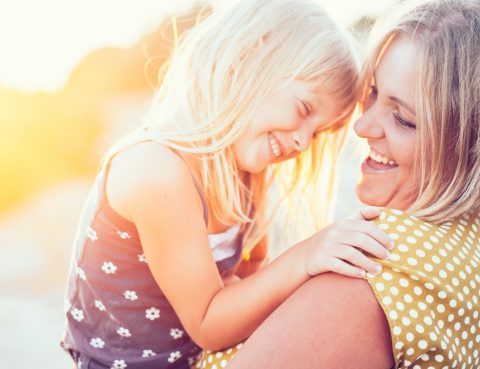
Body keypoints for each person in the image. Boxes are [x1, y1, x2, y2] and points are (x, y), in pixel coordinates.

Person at [60, 1, 394, 368]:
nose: (302, 142)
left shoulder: (247, 175)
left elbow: (248, 280)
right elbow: (208, 322)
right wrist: (307, 255)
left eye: (316, 134)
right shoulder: (156, 170)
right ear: (246, 61)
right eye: (303, 110)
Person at [200, 0, 480, 368]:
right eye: (374, 93)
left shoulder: (372, 262)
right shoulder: (464, 241)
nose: (361, 128)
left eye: (404, 120)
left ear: (467, 144)